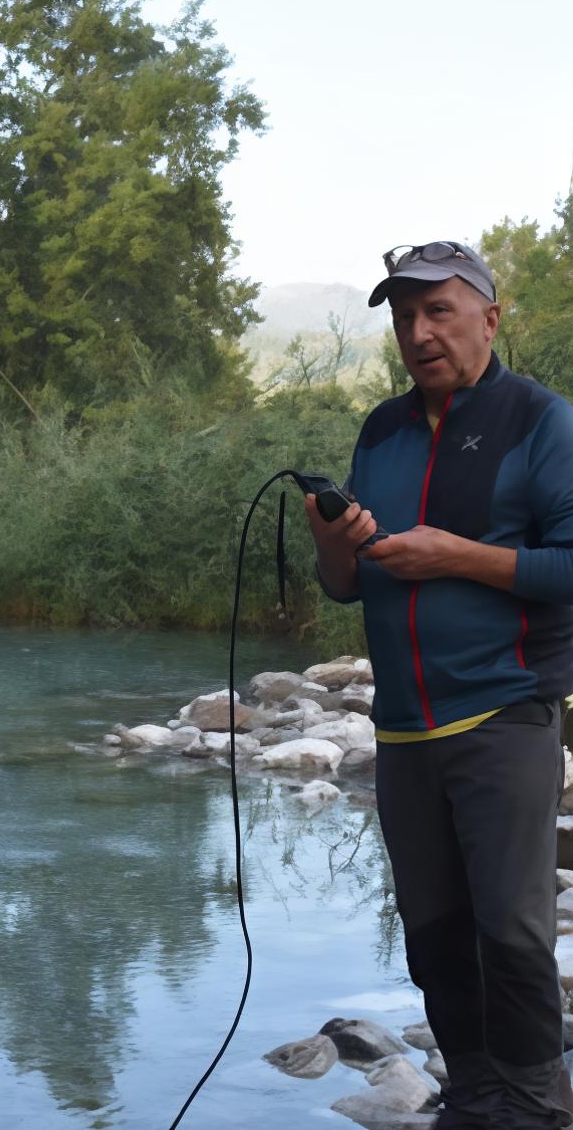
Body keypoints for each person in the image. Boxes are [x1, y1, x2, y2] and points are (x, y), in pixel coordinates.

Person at [306, 239, 573, 1128]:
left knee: (512, 931)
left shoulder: (541, 421)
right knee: (433, 934)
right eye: (404, 316)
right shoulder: (379, 428)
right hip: (403, 726)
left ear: (490, 319)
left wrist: (454, 555)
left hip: (504, 709)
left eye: (439, 311)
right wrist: (333, 548)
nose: (419, 332)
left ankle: (534, 1103)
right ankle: (475, 1091)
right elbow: (346, 586)